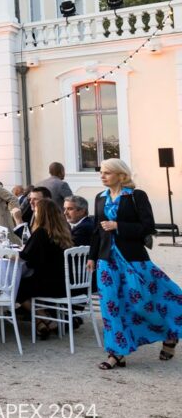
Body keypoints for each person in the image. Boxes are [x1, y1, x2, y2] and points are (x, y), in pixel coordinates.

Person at [87, 158, 181, 370]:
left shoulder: (136, 196)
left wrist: (117, 225)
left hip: (133, 259)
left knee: (142, 302)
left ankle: (170, 334)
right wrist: (92, 256)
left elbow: (148, 227)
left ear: (121, 175)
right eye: (101, 172)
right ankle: (116, 353)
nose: (102, 176)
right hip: (106, 261)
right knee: (111, 306)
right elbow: (96, 230)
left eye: (107, 172)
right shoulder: (100, 198)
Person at [16, 198, 74, 338]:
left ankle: (47, 319)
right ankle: (41, 324)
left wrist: (9, 256)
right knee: (24, 284)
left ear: (41, 214)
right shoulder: (63, 232)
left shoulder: (41, 232)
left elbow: (26, 256)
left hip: (47, 284)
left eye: (35, 211)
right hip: (63, 283)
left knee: (15, 288)